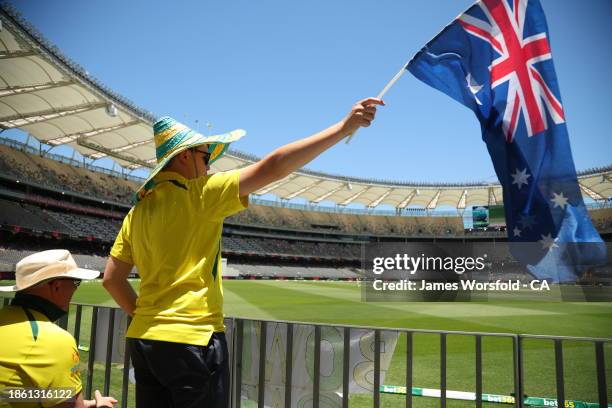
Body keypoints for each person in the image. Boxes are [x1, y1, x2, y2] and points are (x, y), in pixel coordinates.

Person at [102, 97, 383, 407]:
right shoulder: (202, 193)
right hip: (193, 339)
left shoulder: (136, 212)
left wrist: (148, 318)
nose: (209, 164)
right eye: (205, 155)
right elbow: (275, 166)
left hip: (144, 340)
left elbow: (112, 280)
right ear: (184, 157)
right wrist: (344, 127)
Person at [0, 250, 118, 408]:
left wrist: (87, 403)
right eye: (76, 282)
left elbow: (15, 393)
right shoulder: (53, 340)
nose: (75, 289)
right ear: (56, 286)